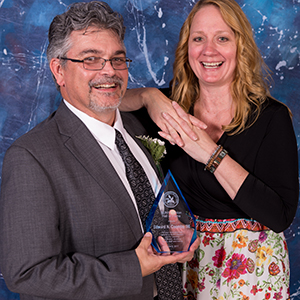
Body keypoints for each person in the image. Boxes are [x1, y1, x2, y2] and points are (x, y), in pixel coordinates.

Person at [0, 2, 200, 300]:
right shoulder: (31, 157)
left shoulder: (139, 128)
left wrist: (173, 237)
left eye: (117, 59)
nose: (109, 71)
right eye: (91, 59)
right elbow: (27, 273)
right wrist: (132, 266)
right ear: (59, 70)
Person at [121, 0, 299, 299]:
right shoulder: (171, 110)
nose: (209, 50)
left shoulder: (271, 117)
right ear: (186, 48)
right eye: (198, 38)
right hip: (184, 265)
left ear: (239, 46)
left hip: (251, 271)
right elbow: (106, 101)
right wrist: (149, 97)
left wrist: (211, 154)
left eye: (222, 38)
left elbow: (280, 216)